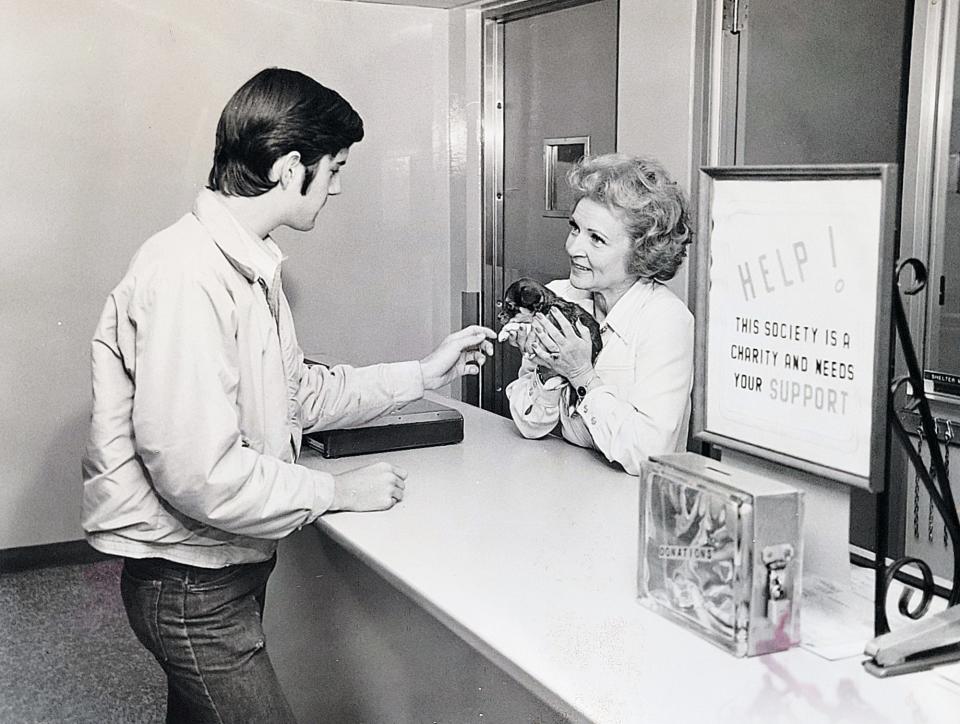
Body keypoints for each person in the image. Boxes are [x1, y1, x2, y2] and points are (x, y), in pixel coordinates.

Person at [81, 67, 494, 723]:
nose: (339, 186)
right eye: (334, 169)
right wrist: (336, 491)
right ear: (290, 167)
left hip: (217, 569)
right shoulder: (189, 277)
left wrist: (424, 372)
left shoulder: (244, 263)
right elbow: (199, 475)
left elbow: (302, 396)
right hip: (193, 584)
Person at [502, 153, 694, 475]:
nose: (573, 247)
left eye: (596, 239)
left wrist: (580, 376)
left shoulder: (666, 321)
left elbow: (648, 453)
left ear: (641, 252)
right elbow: (529, 425)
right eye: (575, 228)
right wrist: (549, 372)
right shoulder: (559, 297)